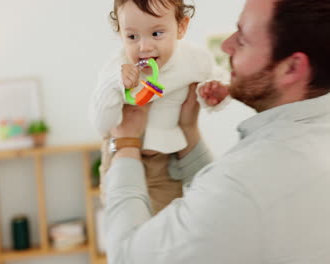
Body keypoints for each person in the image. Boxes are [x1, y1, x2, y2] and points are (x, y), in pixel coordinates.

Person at [103, 0, 330, 263]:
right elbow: (228, 219)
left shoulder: (246, 182)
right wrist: (189, 134)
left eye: (243, 39)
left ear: (291, 68)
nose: (226, 45)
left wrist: (126, 141)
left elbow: (126, 257)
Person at [89, 0, 230, 214]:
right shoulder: (116, 67)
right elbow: (101, 125)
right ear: (120, 33)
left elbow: (218, 82)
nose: (144, 47)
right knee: (123, 218)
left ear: (180, 27)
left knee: (164, 225)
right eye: (132, 36)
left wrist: (216, 95)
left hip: (165, 164)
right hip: (119, 155)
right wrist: (113, 85)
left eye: (156, 34)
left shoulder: (194, 59)